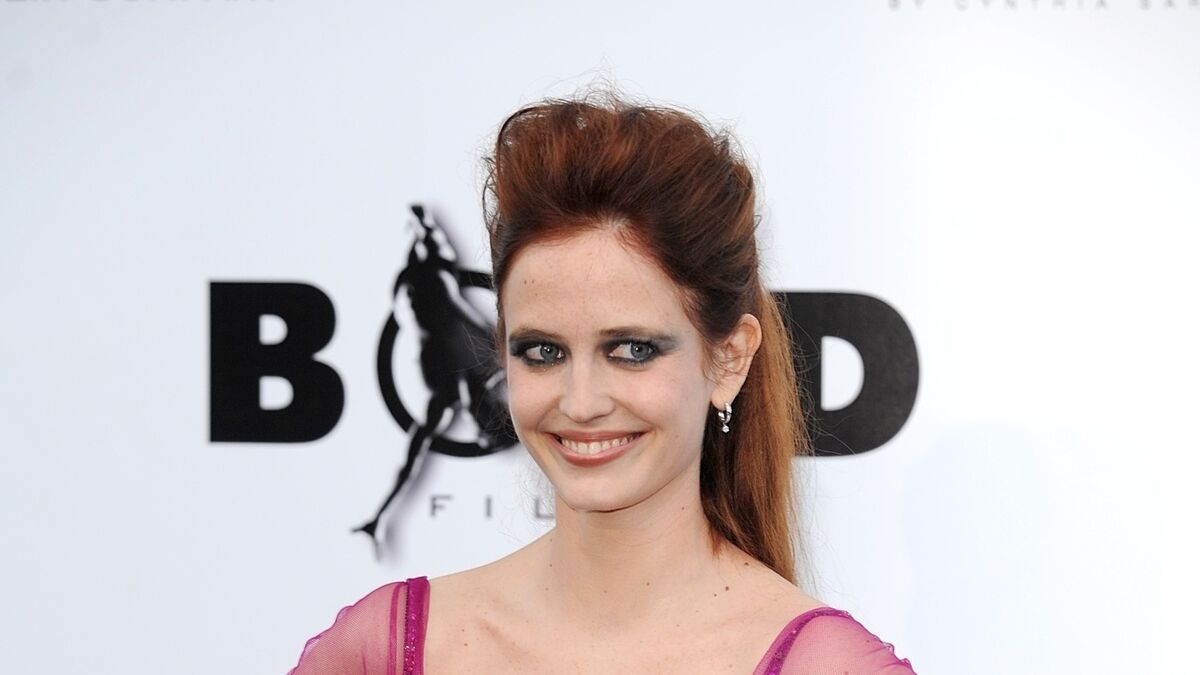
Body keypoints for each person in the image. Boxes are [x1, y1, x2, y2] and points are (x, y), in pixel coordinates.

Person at [289, 90, 917, 674]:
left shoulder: (829, 666)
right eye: (542, 352)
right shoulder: (385, 650)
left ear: (729, 360)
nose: (581, 402)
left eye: (632, 350)